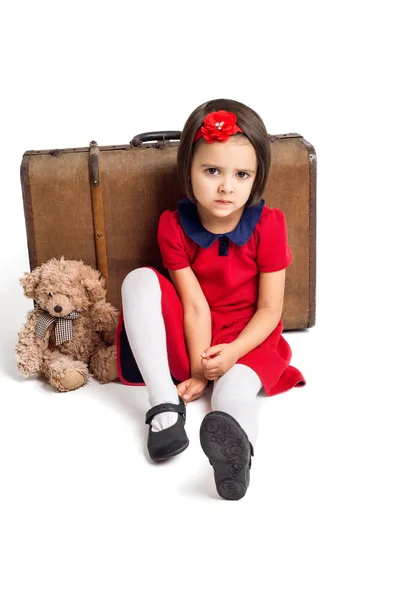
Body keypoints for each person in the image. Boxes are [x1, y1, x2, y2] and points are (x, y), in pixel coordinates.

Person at [116, 98, 306, 501]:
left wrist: (233, 353)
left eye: (241, 174)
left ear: (257, 178)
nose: (226, 186)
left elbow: (271, 309)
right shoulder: (173, 225)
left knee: (233, 393)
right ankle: (164, 406)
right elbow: (195, 304)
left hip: (250, 338)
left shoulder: (270, 225)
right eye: (212, 170)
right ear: (188, 170)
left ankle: (237, 456)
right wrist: (200, 370)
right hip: (195, 334)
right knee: (138, 280)